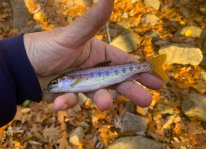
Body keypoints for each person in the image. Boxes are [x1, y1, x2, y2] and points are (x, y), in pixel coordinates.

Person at [0, 0, 163, 127]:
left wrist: (13, 62)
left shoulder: (71, 80)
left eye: (56, 82)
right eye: (55, 82)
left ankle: (149, 66)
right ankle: (149, 66)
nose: (55, 84)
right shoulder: (69, 81)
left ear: (65, 81)